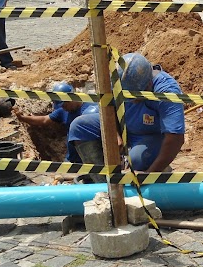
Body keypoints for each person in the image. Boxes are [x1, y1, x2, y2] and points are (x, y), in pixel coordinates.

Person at [68, 53, 185, 182]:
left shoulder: (166, 90)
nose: (132, 101)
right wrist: (115, 133)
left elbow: (175, 138)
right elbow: (108, 106)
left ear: (148, 83)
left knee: (136, 160)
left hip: (151, 136)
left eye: (135, 96)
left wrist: (149, 175)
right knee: (79, 126)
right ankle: (104, 183)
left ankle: (160, 171)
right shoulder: (118, 81)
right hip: (124, 126)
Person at [13, 82, 98, 163]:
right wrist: (23, 118)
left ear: (71, 98)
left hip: (88, 160)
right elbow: (44, 120)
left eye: (64, 105)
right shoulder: (64, 111)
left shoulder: (90, 110)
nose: (64, 108)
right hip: (71, 159)